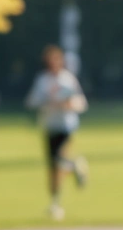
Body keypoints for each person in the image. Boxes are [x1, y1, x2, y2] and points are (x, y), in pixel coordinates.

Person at [24, 45, 88, 220]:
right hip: (49, 125)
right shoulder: (42, 80)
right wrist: (46, 101)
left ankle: (73, 166)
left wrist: (67, 104)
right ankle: (55, 203)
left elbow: (81, 103)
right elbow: (31, 101)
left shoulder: (67, 80)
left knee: (59, 159)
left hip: (66, 125)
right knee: (53, 168)